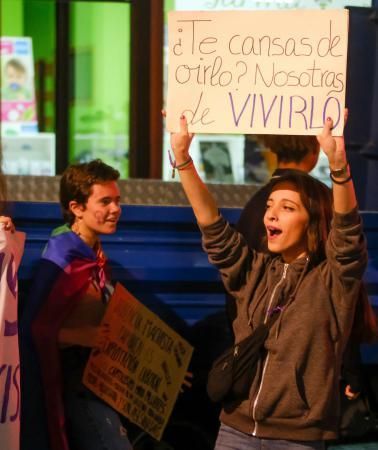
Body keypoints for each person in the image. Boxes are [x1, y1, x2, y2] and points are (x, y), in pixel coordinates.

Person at [168, 113, 367, 449]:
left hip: (298, 439)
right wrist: (184, 160)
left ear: (313, 222)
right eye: (271, 205)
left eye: (287, 207)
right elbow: (213, 229)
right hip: (235, 430)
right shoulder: (255, 271)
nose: (271, 214)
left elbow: (347, 235)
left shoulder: (332, 281)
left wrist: (338, 166)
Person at [19, 159, 133, 450]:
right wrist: (81, 336)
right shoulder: (61, 258)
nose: (115, 209)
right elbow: (34, 330)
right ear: (76, 208)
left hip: (99, 381)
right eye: (105, 201)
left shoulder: (93, 254)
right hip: (72, 385)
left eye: (118, 201)